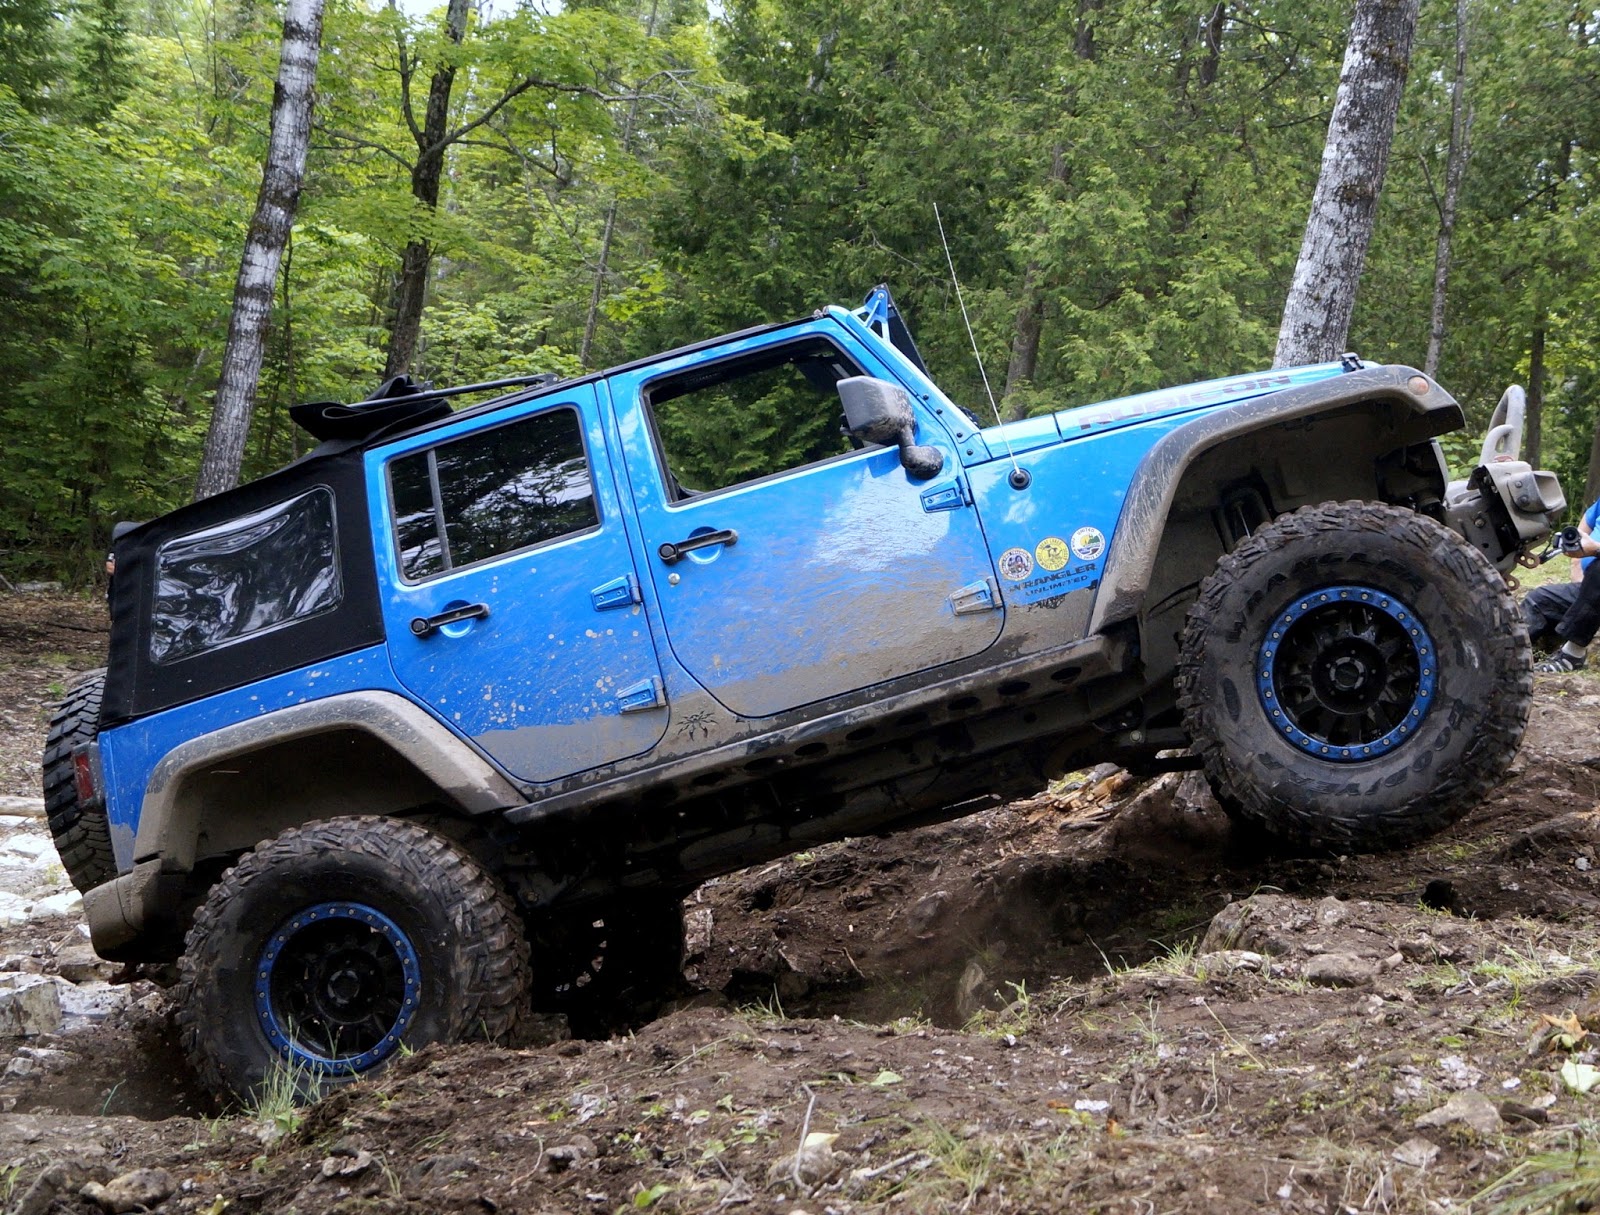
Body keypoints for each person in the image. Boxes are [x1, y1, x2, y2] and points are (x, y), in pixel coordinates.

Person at [1524, 498, 1600, 672]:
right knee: (1539, 599)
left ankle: (1573, 655)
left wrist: (1595, 548)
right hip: (1591, 587)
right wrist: (1585, 597)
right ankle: (1505, 653)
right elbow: (1579, 536)